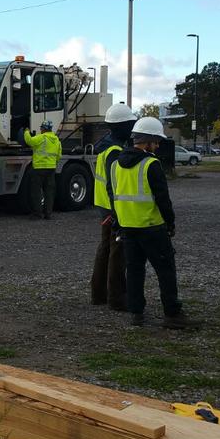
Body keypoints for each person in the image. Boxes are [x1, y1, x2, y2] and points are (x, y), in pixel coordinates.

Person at [109, 116, 199, 329]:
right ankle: (172, 314)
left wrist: (118, 223)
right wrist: (170, 223)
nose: (157, 146)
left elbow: (113, 198)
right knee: (166, 271)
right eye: (156, 142)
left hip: (128, 228)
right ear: (147, 141)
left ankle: (136, 313)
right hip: (152, 227)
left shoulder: (114, 166)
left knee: (134, 271)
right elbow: (163, 199)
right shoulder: (151, 164)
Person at [91, 103, 137, 309]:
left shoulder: (106, 146)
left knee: (106, 248)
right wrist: (117, 212)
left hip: (104, 206)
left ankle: (99, 294)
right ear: (123, 126)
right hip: (113, 208)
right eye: (130, 123)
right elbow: (113, 184)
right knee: (117, 252)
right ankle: (116, 299)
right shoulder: (115, 151)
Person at [23, 119, 62, 220]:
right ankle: (48, 214)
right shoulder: (56, 140)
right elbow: (59, 155)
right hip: (51, 168)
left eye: (41, 128)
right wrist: (53, 163)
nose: (40, 130)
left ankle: (37, 214)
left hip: (39, 169)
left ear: (44, 129)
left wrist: (26, 132)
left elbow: (29, 141)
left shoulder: (41, 138)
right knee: (49, 192)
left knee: (36, 192)